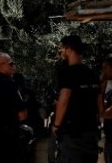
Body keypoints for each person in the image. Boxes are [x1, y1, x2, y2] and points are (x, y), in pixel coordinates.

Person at [51, 35, 102, 163]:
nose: (60, 52)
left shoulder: (67, 72)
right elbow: (99, 103)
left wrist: (56, 125)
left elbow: (64, 98)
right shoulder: (92, 73)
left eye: (61, 49)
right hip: (91, 132)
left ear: (69, 49)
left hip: (72, 133)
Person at [101, 56, 112, 163]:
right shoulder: (109, 92)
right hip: (109, 140)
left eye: (105, 68)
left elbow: (104, 113)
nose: (103, 71)